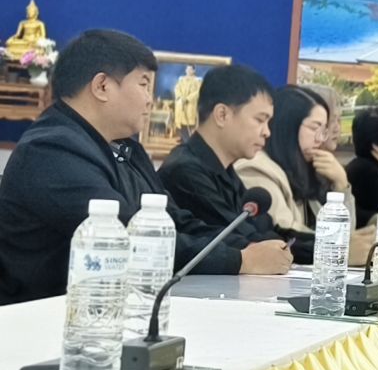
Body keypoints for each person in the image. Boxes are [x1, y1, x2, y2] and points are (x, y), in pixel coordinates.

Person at [0, 30, 291, 304]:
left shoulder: (125, 148)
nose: (151, 100)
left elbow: (175, 221)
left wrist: (247, 249)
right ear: (102, 86)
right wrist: (240, 261)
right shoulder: (51, 150)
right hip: (41, 317)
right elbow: (129, 238)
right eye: (143, 85)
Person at [237, 86, 375, 265]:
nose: (320, 139)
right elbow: (285, 235)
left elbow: (341, 233)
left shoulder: (303, 169)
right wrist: (338, 250)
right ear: (287, 126)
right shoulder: (256, 168)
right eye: (314, 128)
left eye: (324, 131)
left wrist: (341, 185)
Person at [158, 64, 283, 244]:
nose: (267, 132)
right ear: (222, 115)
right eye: (259, 120)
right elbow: (245, 240)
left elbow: (265, 229)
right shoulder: (185, 172)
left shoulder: (225, 170)